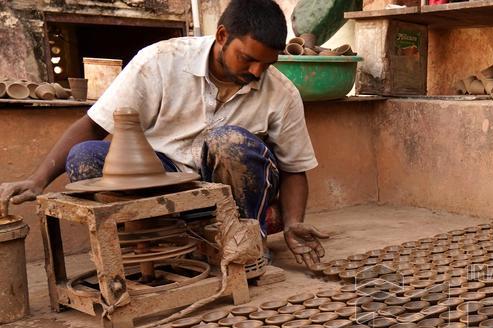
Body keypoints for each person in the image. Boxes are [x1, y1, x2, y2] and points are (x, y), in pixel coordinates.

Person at [0, 0, 329, 270]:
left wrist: (294, 222)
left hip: (236, 192)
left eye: (267, 65)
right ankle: (161, 243)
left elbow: (294, 167)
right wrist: (37, 179)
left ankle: (244, 246)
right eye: (248, 59)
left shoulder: (282, 93)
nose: (256, 72)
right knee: (85, 158)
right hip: (167, 178)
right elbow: (93, 124)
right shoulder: (159, 61)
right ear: (222, 35)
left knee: (229, 142)